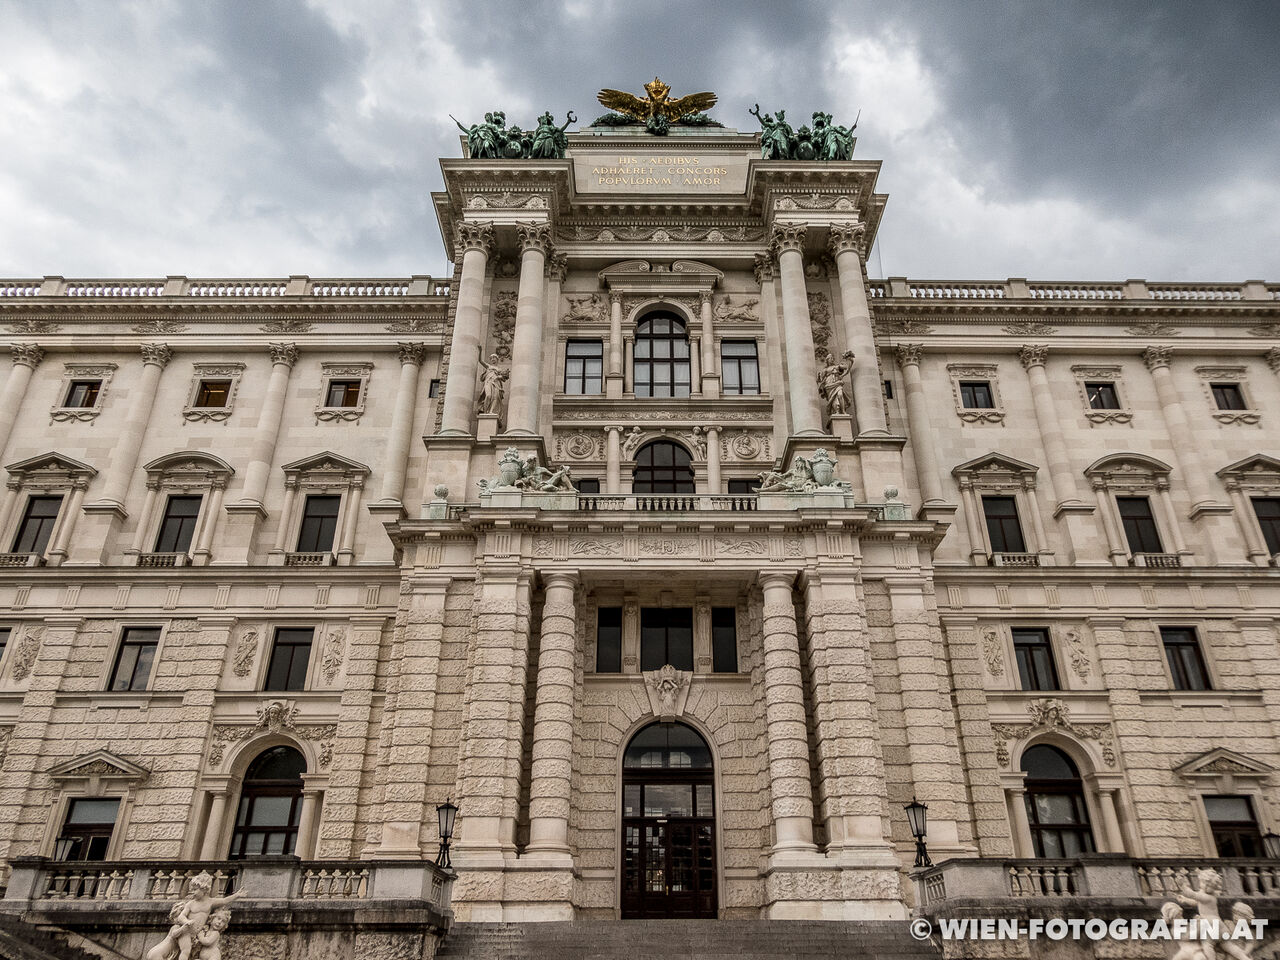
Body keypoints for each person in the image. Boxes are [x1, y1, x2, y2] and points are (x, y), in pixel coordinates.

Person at [144, 873, 243, 960]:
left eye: (195, 890)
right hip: (186, 931)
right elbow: (181, 916)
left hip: (196, 934)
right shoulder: (191, 904)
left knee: (187, 951)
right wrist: (186, 922)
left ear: (204, 889)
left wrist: (236, 895)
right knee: (185, 951)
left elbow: (224, 901)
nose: (193, 893)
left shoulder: (210, 902)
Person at [477, 352, 508, 417]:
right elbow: (480, 360)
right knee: (488, 395)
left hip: (497, 383)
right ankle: (485, 412)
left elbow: (503, 379)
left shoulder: (499, 369)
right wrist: (480, 350)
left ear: (497, 359)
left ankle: (491, 411)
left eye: (494, 357)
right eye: (491, 358)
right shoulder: (489, 366)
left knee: (495, 397)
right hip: (489, 382)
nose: (492, 359)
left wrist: (501, 376)